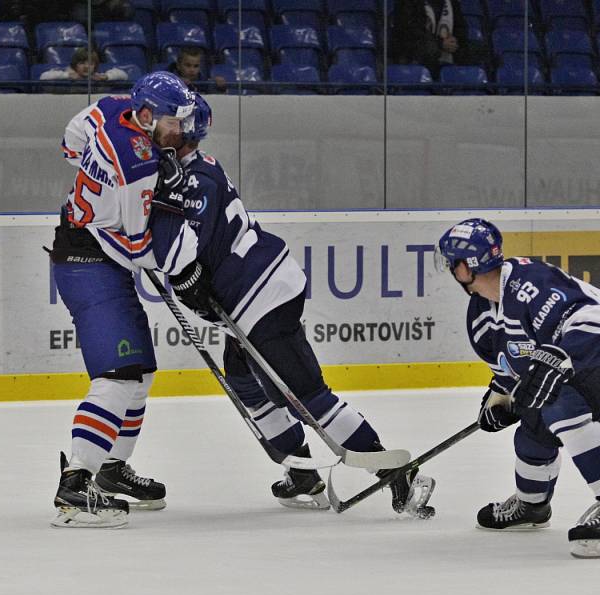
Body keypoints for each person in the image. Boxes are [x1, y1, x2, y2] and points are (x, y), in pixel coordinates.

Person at [140, 81, 436, 518]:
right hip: (245, 298)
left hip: (261, 294)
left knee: (306, 394)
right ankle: (301, 472)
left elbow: (184, 249)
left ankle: (398, 472)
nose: (161, 128)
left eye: (170, 122)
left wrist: (179, 268)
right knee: (244, 383)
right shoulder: (185, 172)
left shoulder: (197, 177)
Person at [434, 218, 600, 558]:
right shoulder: (479, 316)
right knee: (533, 422)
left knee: (558, 402)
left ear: (465, 268)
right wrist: (500, 400)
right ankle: (531, 506)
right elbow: (510, 370)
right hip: (577, 361)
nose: (449, 269)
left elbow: (595, 325)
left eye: (451, 263)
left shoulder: (529, 283)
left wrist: (560, 358)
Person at [48, 72, 195, 528]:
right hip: (89, 262)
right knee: (118, 375)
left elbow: (71, 145)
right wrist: (182, 256)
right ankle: (75, 485)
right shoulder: (138, 166)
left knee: (142, 374)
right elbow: (136, 248)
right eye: (175, 122)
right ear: (148, 116)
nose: (181, 131)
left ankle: (110, 470)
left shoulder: (112, 106)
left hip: (90, 248)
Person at [390, 1, 482, 77]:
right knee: (429, 48)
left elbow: (460, 26)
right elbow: (409, 30)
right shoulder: (406, 3)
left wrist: (454, 41)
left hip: (444, 47)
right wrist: (440, 43)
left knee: (479, 49)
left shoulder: (452, 2)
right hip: (414, 49)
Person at [39, 47, 128, 90]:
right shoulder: (66, 77)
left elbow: (124, 75)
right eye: (82, 63)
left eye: (91, 64)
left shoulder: (98, 78)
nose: (86, 67)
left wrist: (106, 77)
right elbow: (44, 77)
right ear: (75, 65)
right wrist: (67, 75)